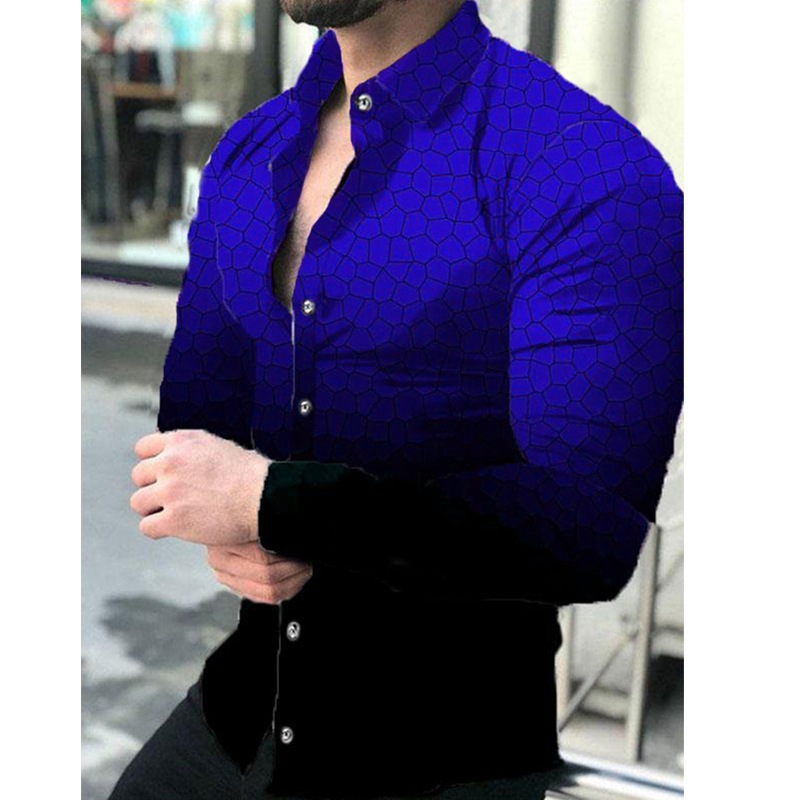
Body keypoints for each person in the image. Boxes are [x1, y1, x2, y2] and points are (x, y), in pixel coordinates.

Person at [113, 0, 684, 798]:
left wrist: (273, 500)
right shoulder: (251, 150)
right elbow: (198, 422)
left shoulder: (585, 167)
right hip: (239, 720)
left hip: (441, 759)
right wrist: (230, 520)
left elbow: (589, 526)